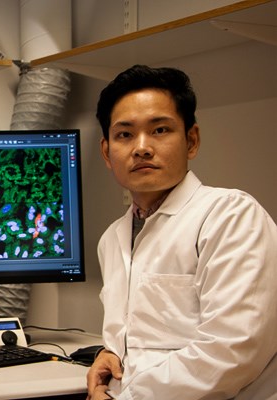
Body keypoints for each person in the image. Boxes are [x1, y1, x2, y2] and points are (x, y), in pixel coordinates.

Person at [87, 64, 277, 399]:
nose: (141, 147)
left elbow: (231, 353)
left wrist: (128, 397)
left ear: (191, 141)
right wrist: (111, 352)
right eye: (125, 134)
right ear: (107, 152)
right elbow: (134, 331)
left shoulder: (231, 216)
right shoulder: (112, 238)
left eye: (159, 130)